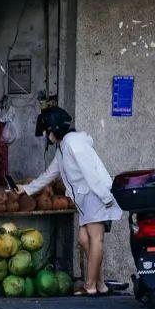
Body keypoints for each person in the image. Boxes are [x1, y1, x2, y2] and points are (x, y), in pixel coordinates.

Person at [19, 106, 123, 296]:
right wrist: (26, 189)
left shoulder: (73, 143)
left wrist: (106, 197)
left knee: (95, 238)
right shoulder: (64, 147)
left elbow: (90, 171)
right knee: (84, 239)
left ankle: (90, 286)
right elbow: (50, 174)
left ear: (54, 128)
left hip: (95, 195)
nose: (46, 136)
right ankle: (100, 284)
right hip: (87, 198)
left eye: (47, 131)